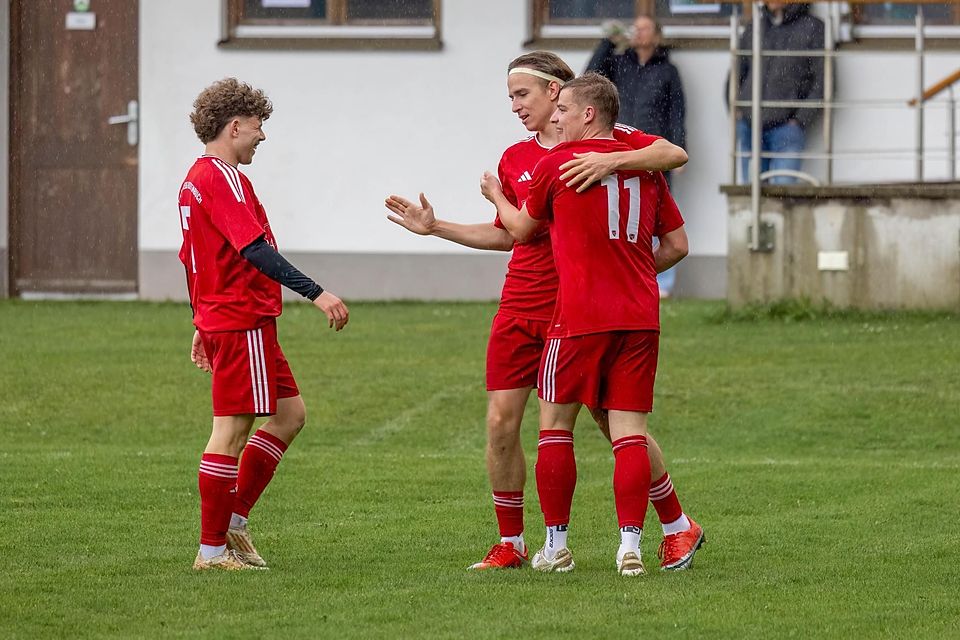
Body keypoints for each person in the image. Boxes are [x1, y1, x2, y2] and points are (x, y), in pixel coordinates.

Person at [386, 52, 702, 573]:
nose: (513, 106)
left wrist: (610, 162)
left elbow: (673, 152)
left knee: (614, 426)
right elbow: (509, 233)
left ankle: (671, 523)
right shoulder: (515, 158)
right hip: (523, 306)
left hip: (578, 310)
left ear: (559, 94)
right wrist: (436, 226)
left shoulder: (619, 139)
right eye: (510, 96)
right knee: (501, 422)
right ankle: (513, 542)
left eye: (521, 94)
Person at [480, 72, 693, 576]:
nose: (557, 117)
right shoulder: (648, 167)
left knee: (554, 429)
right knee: (628, 435)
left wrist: (495, 196)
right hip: (640, 316)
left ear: (585, 112)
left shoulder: (556, 164)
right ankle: (631, 546)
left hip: (575, 318)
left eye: (563, 109)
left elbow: (524, 230)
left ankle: (554, 546)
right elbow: (678, 244)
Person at [178, 78, 349, 571]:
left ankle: (232, 523)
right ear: (235, 127)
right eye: (257, 127)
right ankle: (211, 552)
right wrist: (317, 292)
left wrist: (200, 317)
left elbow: (194, 257)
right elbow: (253, 250)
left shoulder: (196, 177)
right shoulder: (222, 178)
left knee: (290, 415)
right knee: (230, 432)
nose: (262, 136)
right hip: (240, 319)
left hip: (230, 316)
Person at [587, 14, 686, 298]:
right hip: (618, 148)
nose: (639, 33)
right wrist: (609, 42)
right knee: (617, 210)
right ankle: (616, 274)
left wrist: (678, 144)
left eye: (646, 29)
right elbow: (589, 80)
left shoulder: (667, 70)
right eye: (636, 28)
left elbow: (678, 111)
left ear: (657, 36)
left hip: (654, 151)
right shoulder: (619, 64)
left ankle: (661, 281)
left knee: (659, 214)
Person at [730, 1, 825, 184]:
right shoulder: (756, 26)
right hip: (750, 126)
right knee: (749, 197)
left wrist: (799, 120)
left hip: (786, 129)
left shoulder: (812, 28)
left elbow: (822, 81)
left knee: (783, 199)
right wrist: (738, 110)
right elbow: (737, 72)